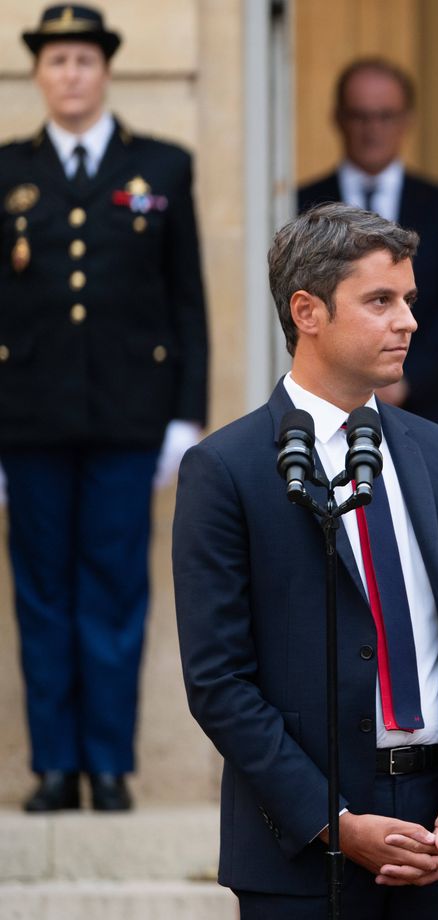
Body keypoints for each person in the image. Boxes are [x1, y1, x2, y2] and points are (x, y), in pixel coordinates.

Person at [173, 203, 438, 917]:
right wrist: (338, 824)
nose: (409, 322)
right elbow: (219, 683)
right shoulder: (225, 469)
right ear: (308, 311)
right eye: (381, 301)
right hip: (302, 850)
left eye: (410, 301)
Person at [0, 3, 208, 813]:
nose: (71, 75)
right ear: (40, 74)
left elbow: (187, 299)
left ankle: (111, 764)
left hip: (131, 421)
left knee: (118, 591)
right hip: (28, 422)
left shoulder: (162, 165)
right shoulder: (7, 170)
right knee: (42, 592)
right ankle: (55, 765)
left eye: (83, 60)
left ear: (105, 70)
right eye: (56, 62)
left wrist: (185, 417)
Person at [297, 57, 438, 428]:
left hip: (421, 408)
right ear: (338, 118)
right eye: (360, 116)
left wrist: (403, 377)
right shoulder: (302, 207)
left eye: (385, 116)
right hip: (322, 407)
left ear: (406, 121)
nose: (372, 129)